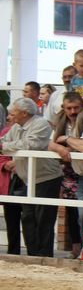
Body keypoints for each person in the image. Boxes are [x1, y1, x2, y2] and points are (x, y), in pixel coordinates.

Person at [0, 98, 63, 257]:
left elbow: (30, 144)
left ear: (24, 113)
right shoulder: (16, 127)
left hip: (46, 178)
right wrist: (5, 146)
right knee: (28, 218)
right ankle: (32, 254)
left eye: (12, 113)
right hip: (27, 179)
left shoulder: (41, 124)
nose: (9, 116)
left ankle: (44, 256)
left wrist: (5, 147)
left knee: (44, 220)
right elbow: (5, 142)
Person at [48, 91, 83, 251]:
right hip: (80, 173)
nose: (72, 112)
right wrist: (60, 148)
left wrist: (65, 140)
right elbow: (49, 143)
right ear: (63, 108)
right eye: (69, 108)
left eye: (76, 108)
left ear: (82, 106)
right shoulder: (62, 122)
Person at [0, 109, 21, 254]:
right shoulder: (5, 132)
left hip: (27, 177)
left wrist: (18, 163)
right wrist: (5, 164)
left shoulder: (30, 130)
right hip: (10, 180)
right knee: (11, 217)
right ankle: (13, 250)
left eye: (13, 115)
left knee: (28, 217)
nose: (9, 117)